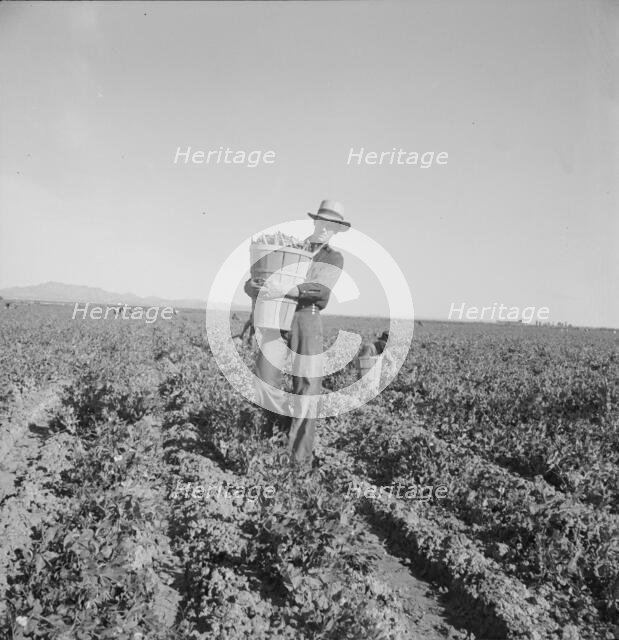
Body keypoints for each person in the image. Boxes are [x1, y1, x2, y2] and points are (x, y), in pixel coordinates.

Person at [244, 199, 351, 466]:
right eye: (323, 222)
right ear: (315, 221)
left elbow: (320, 290)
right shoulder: (290, 249)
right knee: (264, 380)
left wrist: (285, 289)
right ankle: (267, 443)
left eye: (332, 226)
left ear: (336, 230)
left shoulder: (333, 257)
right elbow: (258, 277)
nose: (326, 229)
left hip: (306, 320)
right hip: (276, 317)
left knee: (307, 389)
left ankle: (299, 460)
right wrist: (254, 286)